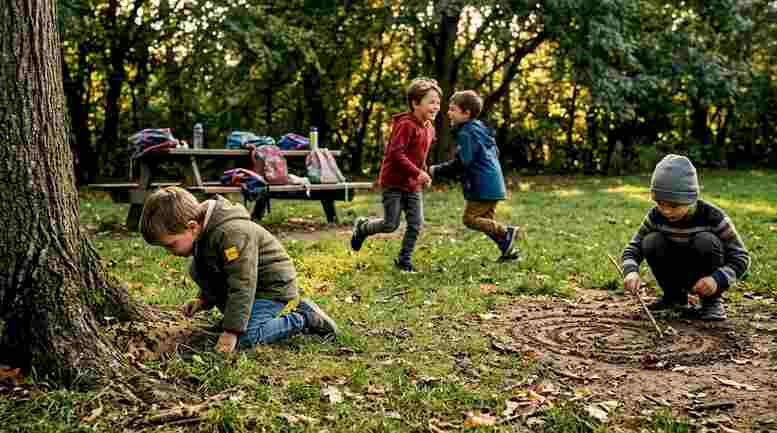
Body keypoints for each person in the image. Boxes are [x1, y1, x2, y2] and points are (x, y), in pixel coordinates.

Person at [140, 186, 338, 353]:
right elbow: (213, 270)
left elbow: (243, 282)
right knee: (226, 327)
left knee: (244, 338)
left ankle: (304, 318)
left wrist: (232, 331)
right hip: (250, 288)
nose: (169, 252)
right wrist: (204, 299)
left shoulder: (232, 233)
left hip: (271, 288)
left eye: (171, 245)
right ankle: (242, 323)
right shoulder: (204, 233)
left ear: (191, 227)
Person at [621, 154, 750, 321]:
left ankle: (711, 302)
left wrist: (716, 280)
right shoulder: (655, 216)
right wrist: (630, 272)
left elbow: (741, 257)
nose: (666, 211)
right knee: (651, 240)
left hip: (705, 274)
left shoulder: (713, 217)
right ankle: (674, 297)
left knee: (706, 241)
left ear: (691, 198)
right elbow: (633, 248)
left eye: (674, 205)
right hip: (673, 269)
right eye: (660, 203)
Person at [350, 77, 441, 272]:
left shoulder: (429, 128)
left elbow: (420, 155)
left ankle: (404, 260)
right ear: (415, 103)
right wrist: (418, 173)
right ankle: (362, 228)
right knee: (391, 224)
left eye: (438, 102)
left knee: (416, 224)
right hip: (393, 182)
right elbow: (395, 154)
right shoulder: (405, 125)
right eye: (431, 102)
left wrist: (423, 172)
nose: (436, 106)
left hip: (412, 184)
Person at [429, 90, 519, 261]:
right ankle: (509, 252)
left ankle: (506, 231)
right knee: (486, 222)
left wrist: (435, 170)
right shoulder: (480, 128)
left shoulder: (466, 133)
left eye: (453, 109)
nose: (448, 112)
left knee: (470, 219)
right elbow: (495, 152)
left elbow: (463, 162)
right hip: (495, 182)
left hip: (482, 185)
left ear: (466, 113)